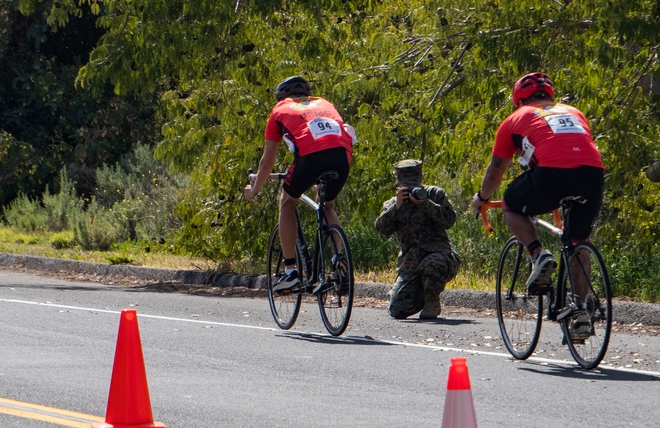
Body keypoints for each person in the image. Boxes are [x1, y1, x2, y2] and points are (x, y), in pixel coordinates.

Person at [471, 72, 605, 292]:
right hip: (593, 175)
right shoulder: (575, 112)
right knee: (579, 242)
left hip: (551, 173)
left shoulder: (515, 118)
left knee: (511, 204)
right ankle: (580, 312)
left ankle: (538, 254)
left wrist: (482, 197)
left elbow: (496, 171)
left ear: (520, 101)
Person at [244, 76, 354, 292]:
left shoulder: (279, 110)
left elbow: (266, 164)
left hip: (311, 158)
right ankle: (339, 261)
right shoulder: (325, 103)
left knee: (287, 202)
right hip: (342, 158)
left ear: (281, 97)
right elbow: (337, 138)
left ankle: (290, 272)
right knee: (327, 204)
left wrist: (254, 190)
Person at [375, 159, 461, 320]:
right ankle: (421, 292)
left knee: (432, 264)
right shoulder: (394, 203)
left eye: (414, 185)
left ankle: (432, 301)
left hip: (440, 256)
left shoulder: (435, 194)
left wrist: (426, 204)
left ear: (421, 179)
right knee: (397, 310)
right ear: (399, 185)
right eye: (407, 187)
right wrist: (397, 207)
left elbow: (449, 220)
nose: (412, 190)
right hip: (410, 264)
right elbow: (381, 228)